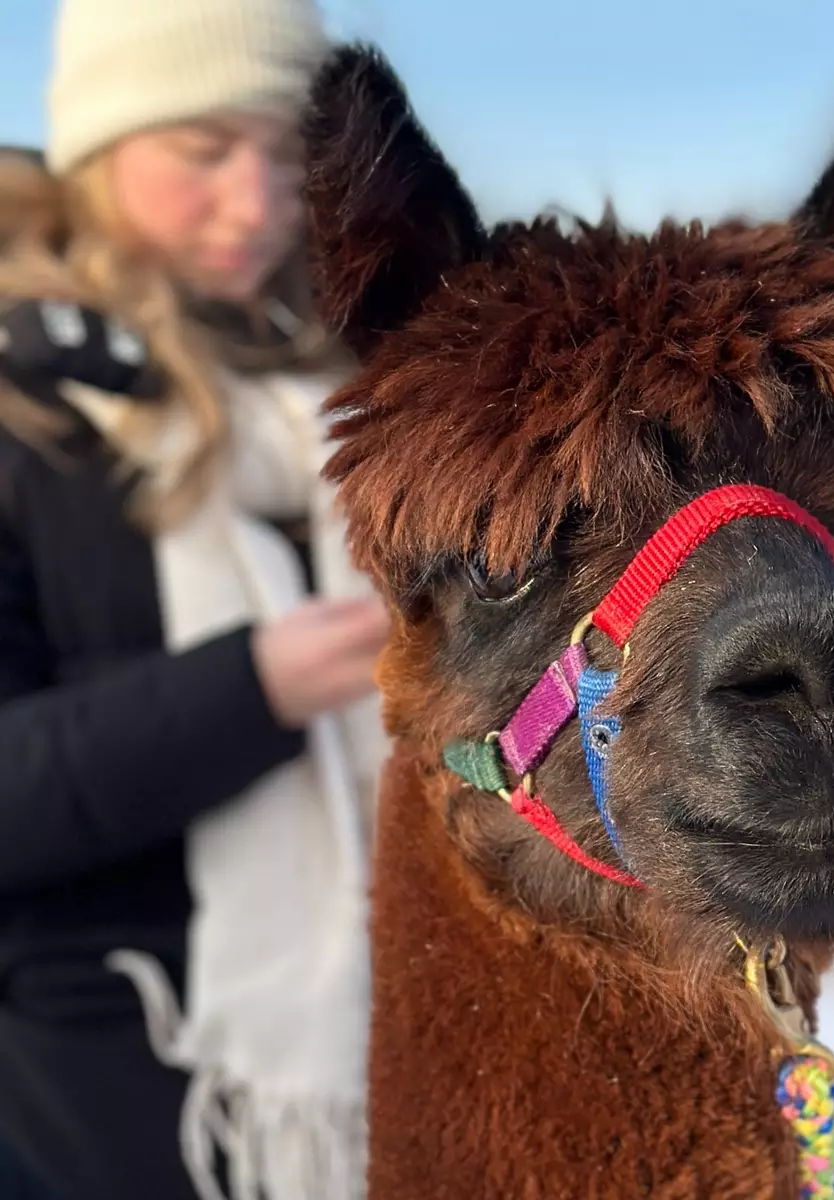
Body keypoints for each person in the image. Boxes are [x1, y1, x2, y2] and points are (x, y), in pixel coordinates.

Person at [0, 3, 387, 1198]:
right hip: (113, 1091)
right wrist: (254, 687)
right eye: (208, 150)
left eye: (288, 155)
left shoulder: (366, 379)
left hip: (407, 1043)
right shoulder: (26, 412)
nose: (258, 203)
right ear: (103, 144)